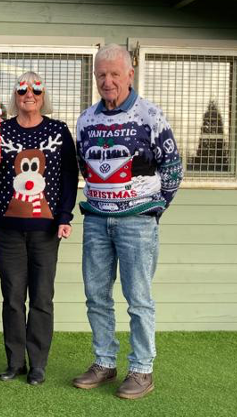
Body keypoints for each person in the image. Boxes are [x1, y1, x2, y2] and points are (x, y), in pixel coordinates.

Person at [73, 44, 183, 400]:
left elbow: (173, 169)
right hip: (96, 221)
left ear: (130, 75)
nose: (107, 81)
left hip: (137, 222)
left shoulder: (150, 115)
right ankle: (104, 362)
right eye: (101, 75)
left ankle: (142, 370)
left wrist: (152, 209)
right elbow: (84, 166)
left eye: (114, 74)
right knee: (96, 295)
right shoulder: (86, 120)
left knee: (138, 299)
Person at [0, 72, 78, 386]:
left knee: (42, 297)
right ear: (15, 96)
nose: (28, 94)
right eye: (22, 89)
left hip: (46, 229)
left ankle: (38, 365)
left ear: (43, 96)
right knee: (13, 297)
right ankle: (15, 362)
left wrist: (64, 216)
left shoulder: (58, 131)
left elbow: (69, 177)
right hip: (9, 229)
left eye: (35, 89)